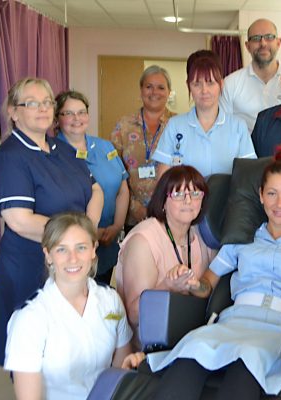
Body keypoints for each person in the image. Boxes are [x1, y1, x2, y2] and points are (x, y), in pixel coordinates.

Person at [149, 144, 281, 399]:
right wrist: (191, 283)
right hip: (232, 321)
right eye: (272, 194)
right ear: (261, 195)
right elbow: (207, 283)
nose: (280, 204)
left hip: (278, 329)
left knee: (250, 358)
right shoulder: (242, 237)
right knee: (192, 349)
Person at [0, 77, 104, 366]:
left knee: (70, 344)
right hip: (31, 264)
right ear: (13, 112)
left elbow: (96, 190)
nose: (42, 108)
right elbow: (20, 220)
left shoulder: (61, 149)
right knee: (35, 351)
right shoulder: (10, 158)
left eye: (47, 102)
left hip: (72, 259)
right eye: (32, 103)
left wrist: (85, 233)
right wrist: (78, 239)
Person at [4, 212, 133, 400]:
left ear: (93, 250)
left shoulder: (110, 300)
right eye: (62, 249)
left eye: (81, 248)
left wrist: (132, 366)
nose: (73, 258)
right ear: (48, 255)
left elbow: (122, 371)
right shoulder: (30, 318)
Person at [115, 165, 214, 351]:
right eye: (178, 194)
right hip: (148, 348)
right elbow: (134, 315)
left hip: (190, 339)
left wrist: (196, 286)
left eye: (195, 194)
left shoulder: (202, 235)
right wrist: (168, 287)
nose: (188, 201)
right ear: (163, 201)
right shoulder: (143, 240)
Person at [55, 90, 130, 285]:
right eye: (68, 113)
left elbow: (122, 187)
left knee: (101, 292)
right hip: (73, 245)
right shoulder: (52, 154)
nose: (76, 118)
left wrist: (116, 227)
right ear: (57, 118)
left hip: (108, 239)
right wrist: (90, 233)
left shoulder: (105, 147)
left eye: (81, 112)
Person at [152, 50, 256, 178]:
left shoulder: (238, 126)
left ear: (221, 85)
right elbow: (164, 177)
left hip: (228, 198)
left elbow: (249, 174)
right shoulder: (175, 125)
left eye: (210, 83)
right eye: (196, 84)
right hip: (186, 198)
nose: (204, 90)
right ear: (188, 86)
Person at [111, 65, 176, 232]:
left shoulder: (180, 125)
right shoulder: (124, 126)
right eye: (149, 87)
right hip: (132, 216)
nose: (154, 92)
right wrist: (133, 206)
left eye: (161, 87)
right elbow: (113, 171)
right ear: (141, 90)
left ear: (169, 92)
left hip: (172, 214)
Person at [219, 18, 281, 132]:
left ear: (278, 42)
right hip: (244, 149)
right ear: (247, 46)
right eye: (256, 38)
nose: (263, 43)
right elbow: (223, 129)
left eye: (269, 37)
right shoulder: (231, 84)